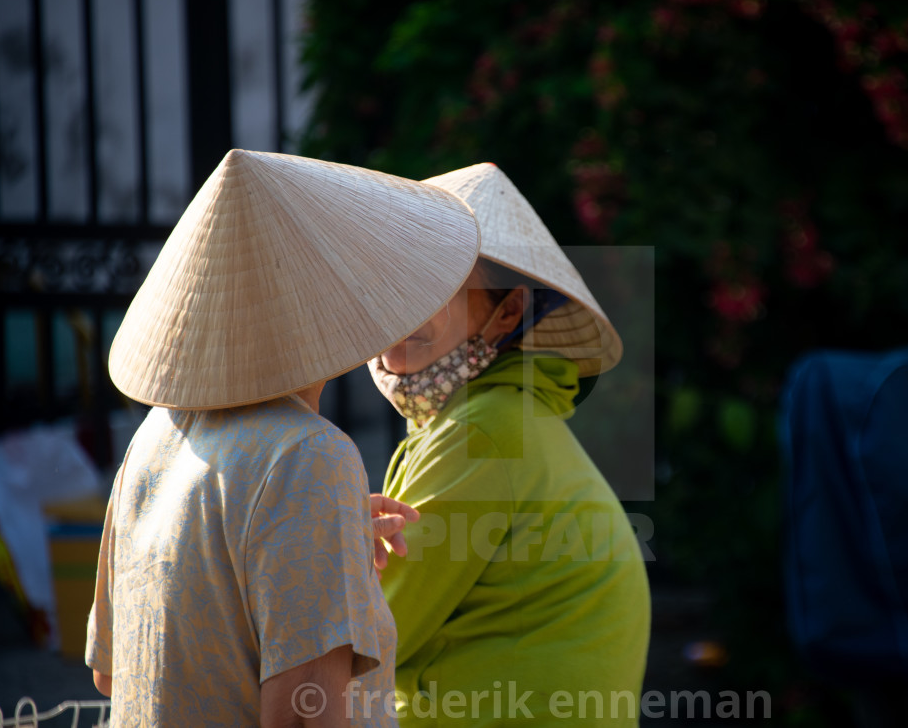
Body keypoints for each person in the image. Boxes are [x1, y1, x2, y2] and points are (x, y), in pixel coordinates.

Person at [84, 149, 480, 727]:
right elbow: (303, 716)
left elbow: (111, 670)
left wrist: (319, 542)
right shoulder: (309, 457)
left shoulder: (156, 434)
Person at [369, 163, 651, 725]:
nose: (407, 306)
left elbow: (366, 634)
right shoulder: (499, 419)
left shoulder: (483, 431)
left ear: (509, 313)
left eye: (442, 285)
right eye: (400, 277)